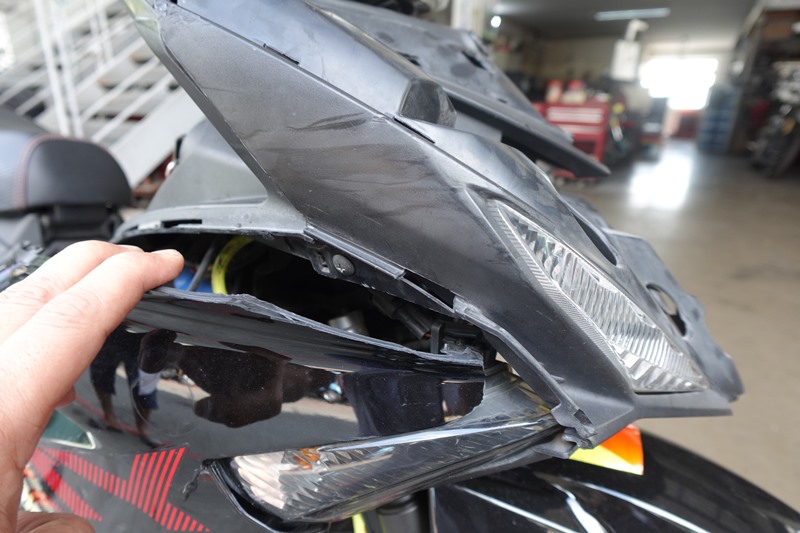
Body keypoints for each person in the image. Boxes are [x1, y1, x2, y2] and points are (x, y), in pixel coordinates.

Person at [0, 241, 184, 533]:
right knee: (107, 381)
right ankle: (113, 418)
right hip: (113, 344)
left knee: (139, 387)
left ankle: (141, 428)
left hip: (133, 345)